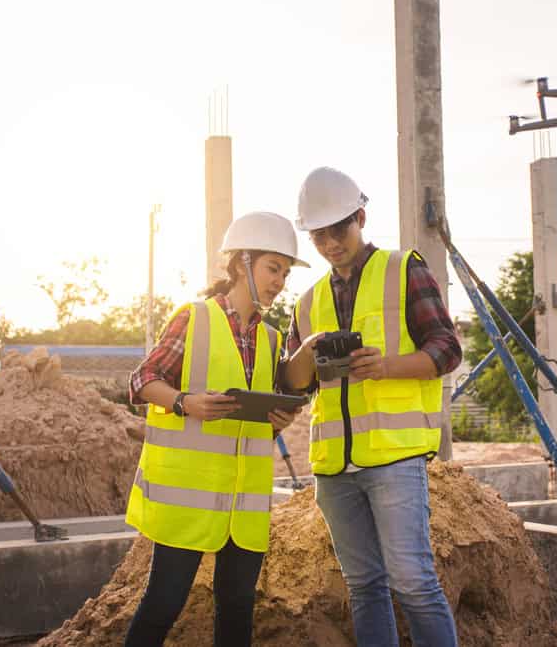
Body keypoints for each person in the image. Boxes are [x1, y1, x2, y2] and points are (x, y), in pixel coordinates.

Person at [282, 167, 463, 647]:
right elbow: (293, 385)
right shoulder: (307, 301)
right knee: (364, 587)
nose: (329, 243)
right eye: (318, 235)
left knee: (413, 583)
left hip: (394, 459)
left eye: (338, 230)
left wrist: (388, 367)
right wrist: (309, 351)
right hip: (333, 466)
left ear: (360, 217)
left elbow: (447, 349)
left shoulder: (404, 269)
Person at [123, 211, 309, 647]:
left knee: (237, 609)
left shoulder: (272, 339)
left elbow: (264, 408)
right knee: (164, 604)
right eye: (271, 268)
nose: (279, 280)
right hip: (188, 498)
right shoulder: (195, 318)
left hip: (243, 503)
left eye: (284, 272)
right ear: (242, 263)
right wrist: (186, 402)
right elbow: (141, 380)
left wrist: (282, 418)